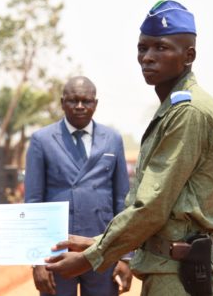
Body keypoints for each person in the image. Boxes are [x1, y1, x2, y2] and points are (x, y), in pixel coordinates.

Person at [46, 1, 213, 296]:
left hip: (182, 276)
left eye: (161, 48)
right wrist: (96, 243)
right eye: (142, 48)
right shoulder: (173, 109)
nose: (147, 58)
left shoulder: (189, 111)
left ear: (189, 55)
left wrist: (89, 257)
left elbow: (152, 206)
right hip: (168, 267)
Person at [24, 76, 131, 295]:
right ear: (63, 102)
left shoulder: (112, 139)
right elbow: (33, 202)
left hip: (101, 248)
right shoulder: (42, 140)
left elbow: (122, 200)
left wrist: (126, 257)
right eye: (73, 100)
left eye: (86, 100)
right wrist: (37, 262)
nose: (80, 106)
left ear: (96, 103)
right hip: (57, 250)